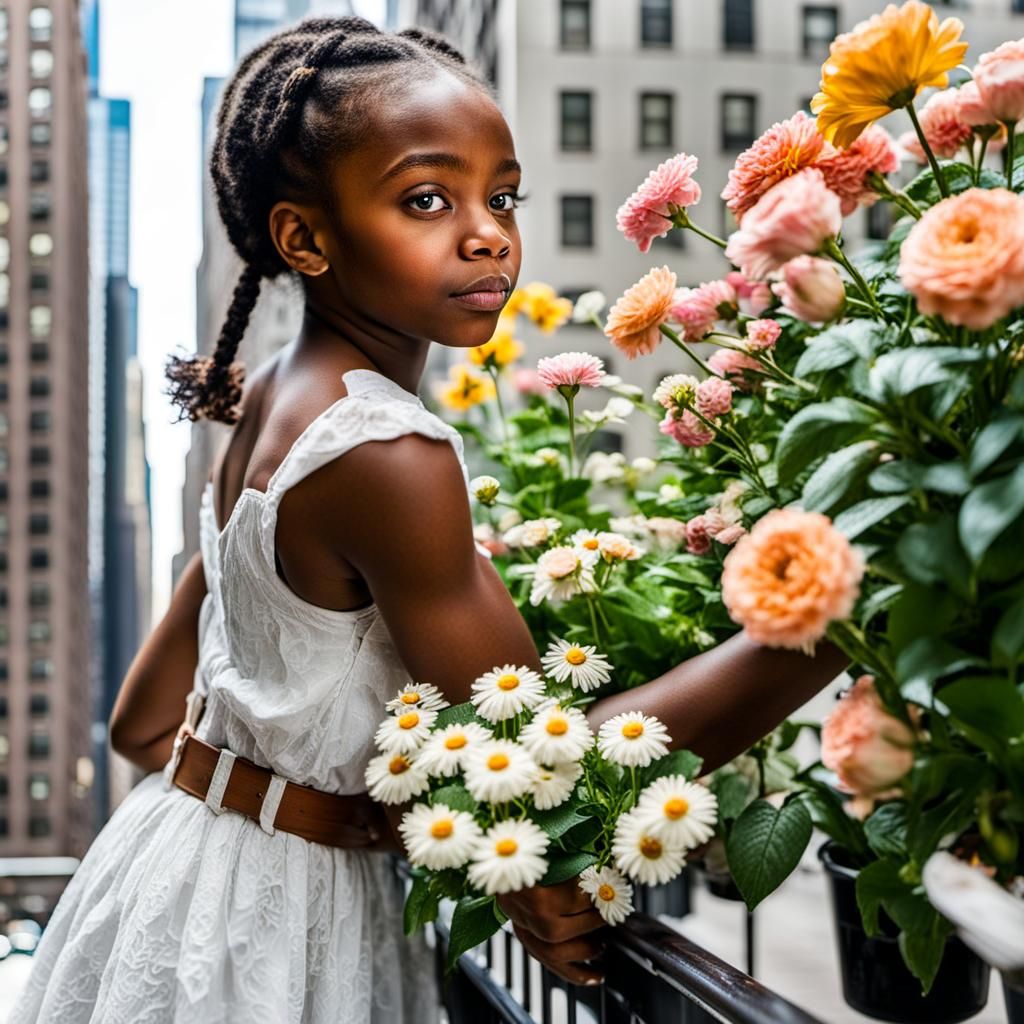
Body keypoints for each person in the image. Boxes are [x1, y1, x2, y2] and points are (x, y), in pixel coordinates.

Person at [11, 16, 846, 1023]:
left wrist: (317, 799)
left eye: (501, 196)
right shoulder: (381, 451)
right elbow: (563, 759)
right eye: (426, 199)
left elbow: (143, 722)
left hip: (165, 880)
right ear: (304, 239)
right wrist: (832, 613)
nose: (487, 230)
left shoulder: (272, 401)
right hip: (286, 933)